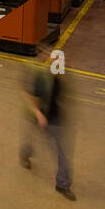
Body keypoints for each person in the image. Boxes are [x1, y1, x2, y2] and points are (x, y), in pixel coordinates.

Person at [20, 51, 74, 200]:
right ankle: (25, 153)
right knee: (31, 140)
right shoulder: (41, 78)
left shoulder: (61, 77)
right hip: (40, 118)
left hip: (55, 119)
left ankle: (62, 184)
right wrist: (38, 114)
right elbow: (30, 97)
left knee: (61, 152)